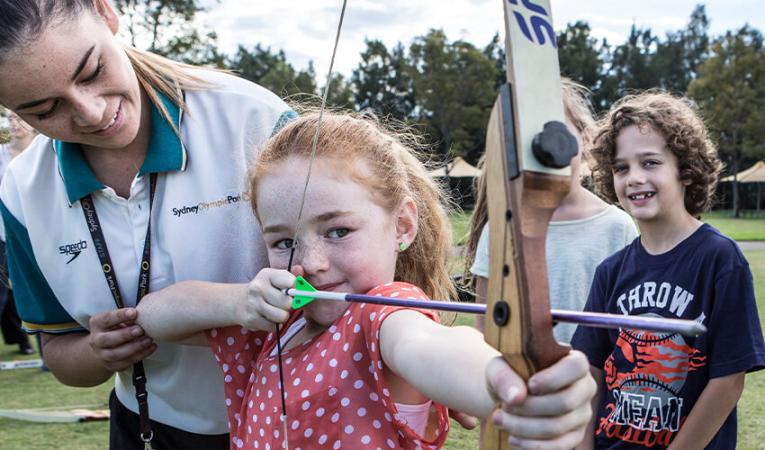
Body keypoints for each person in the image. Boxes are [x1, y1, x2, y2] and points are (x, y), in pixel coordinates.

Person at [134, 111, 597, 450]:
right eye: (284, 241)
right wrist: (239, 303)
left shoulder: (384, 316)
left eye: (338, 231)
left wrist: (506, 383)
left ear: (402, 226)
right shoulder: (281, 323)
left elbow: (428, 346)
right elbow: (154, 315)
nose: (310, 262)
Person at [0, 0, 296, 447]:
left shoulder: (253, 121)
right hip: (148, 430)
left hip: (293, 423)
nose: (92, 113)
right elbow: (59, 353)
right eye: (44, 110)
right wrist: (97, 352)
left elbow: (357, 289)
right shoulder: (22, 192)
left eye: (92, 70)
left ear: (106, 13)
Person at [571, 91, 765, 449]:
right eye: (621, 168)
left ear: (685, 170)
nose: (633, 178)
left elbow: (728, 382)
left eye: (650, 163)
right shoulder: (610, 272)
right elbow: (592, 370)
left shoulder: (720, 260)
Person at [466, 78, 638, 344]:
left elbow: (628, 326)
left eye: (556, 133)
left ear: (584, 139)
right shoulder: (501, 227)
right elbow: (484, 330)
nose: (546, 148)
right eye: (531, 137)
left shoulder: (617, 227)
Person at [0, 112, 36, 355]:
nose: (15, 124)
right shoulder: (2, 154)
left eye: (19, 118)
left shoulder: (45, 153)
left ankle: (26, 341)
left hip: (36, 235)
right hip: (2, 234)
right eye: (11, 119)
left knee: (28, 291)